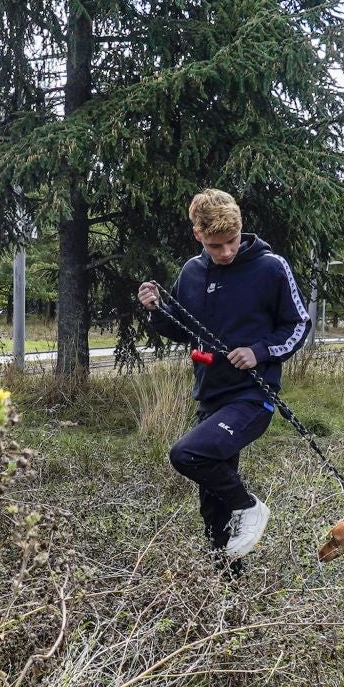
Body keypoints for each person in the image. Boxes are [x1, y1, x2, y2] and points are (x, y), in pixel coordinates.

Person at [138, 188, 311, 569]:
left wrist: (260, 351)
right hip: (210, 396)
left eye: (231, 242)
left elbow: (299, 325)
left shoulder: (270, 267)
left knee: (187, 454)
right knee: (212, 504)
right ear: (198, 236)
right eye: (216, 245)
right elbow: (184, 327)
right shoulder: (192, 272)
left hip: (253, 396)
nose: (227, 252)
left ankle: (249, 507)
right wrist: (154, 310)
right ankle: (226, 584)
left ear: (241, 229)